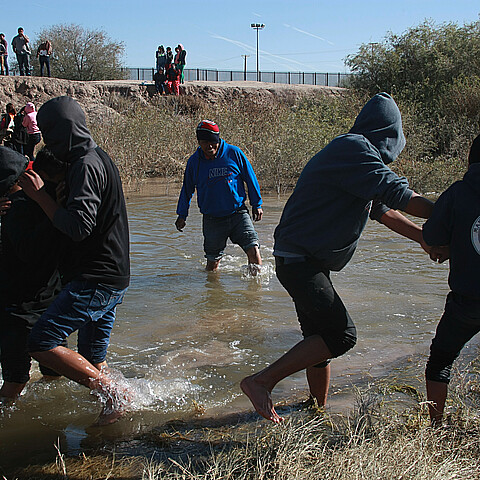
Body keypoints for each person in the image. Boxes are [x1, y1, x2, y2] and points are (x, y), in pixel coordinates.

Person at [240, 93, 434, 423]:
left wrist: (426, 239)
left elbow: (383, 211)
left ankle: (316, 410)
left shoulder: (354, 155)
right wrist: (454, 214)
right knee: (341, 335)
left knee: (318, 341)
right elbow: (399, 195)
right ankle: (260, 382)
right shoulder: (354, 149)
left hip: (302, 258)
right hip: (300, 259)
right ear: (388, 134)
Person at [18, 96, 131, 424]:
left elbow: (79, 227)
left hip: (96, 276)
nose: (49, 145)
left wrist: (39, 196)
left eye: (51, 135)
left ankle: (114, 394)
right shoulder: (97, 157)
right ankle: (114, 418)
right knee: (92, 360)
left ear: (64, 131)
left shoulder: (85, 165)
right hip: (111, 274)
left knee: (41, 342)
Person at [423, 134, 480, 425]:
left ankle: (437, 426)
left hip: (466, 303)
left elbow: (431, 236)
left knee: (440, 362)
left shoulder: (459, 192)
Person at [0, 147, 66, 400]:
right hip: (35, 306)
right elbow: (32, 251)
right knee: (45, 374)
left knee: (16, 380)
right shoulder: (25, 208)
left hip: (23, 307)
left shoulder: (20, 208)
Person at [175, 120, 263, 273]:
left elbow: (250, 178)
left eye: (212, 142)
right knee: (212, 264)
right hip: (212, 219)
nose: (209, 146)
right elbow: (187, 189)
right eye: (204, 142)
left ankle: (256, 293)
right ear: (199, 142)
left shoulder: (234, 153)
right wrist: (182, 214)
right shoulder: (194, 162)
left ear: (218, 139)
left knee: (253, 250)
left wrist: (257, 204)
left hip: (238, 214)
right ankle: (213, 294)